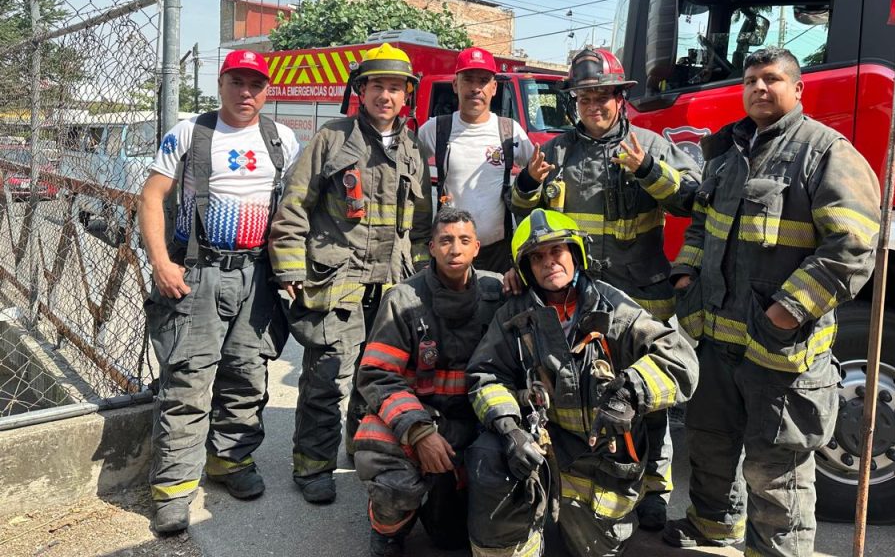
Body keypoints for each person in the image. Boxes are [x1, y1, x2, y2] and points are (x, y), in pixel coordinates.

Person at [665, 47, 881, 556]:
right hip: (715, 340)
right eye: (750, 80)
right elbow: (701, 224)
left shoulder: (826, 152)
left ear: (798, 89)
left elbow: (852, 247)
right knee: (711, 445)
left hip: (781, 353)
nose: (759, 88)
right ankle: (714, 530)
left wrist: (786, 313)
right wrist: (685, 278)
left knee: (775, 471)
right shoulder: (728, 152)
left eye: (772, 78)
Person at [508, 47, 700, 528]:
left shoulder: (649, 145)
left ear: (620, 98)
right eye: (585, 97)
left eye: (603, 96)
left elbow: (691, 200)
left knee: (648, 398)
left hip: (640, 297)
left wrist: (648, 170)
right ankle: (594, 483)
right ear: (575, 102)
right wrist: (527, 185)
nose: (593, 105)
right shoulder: (554, 152)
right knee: (582, 392)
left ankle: (654, 490)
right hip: (578, 300)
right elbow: (523, 214)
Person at [466, 210, 699, 557]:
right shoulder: (515, 316)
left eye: (556, 251)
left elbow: (680, 360)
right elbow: (485, 375)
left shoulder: (613, 307)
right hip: (541, 450)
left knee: (593, 549)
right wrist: (510, 429)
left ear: (575, 254)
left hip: (602, 462)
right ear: (527, 268)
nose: (549, 262)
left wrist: (629, 393)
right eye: (537, 257)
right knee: (489, 455)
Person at [139, 49, 300, 534]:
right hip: (199, 273)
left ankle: (230, 462)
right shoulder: (190, 132)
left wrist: (292, 266)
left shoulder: (282, 138)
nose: (246, 93)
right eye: (237, 82)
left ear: (267, 90)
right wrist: (161, 262)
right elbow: (151, 196)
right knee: (188, 380)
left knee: (247, 375)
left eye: (255, 85)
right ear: (221, 84)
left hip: (258, 276)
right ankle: (173, 489)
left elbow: (293, 208)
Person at [268, 42, 432, 506]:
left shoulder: (413, 148)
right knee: (326, 380)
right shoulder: (332, 138)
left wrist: (422, 281)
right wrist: (290, 266)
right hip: (338, 282)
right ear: (361, 90)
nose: (386, 95)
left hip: (392, 286)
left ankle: (361, 450)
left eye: (395, 87)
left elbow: (421, 225)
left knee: (376, 377)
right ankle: (312, 466)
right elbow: (294, 205)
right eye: (377, 85)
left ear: (407, 95)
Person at [352, 208, 504, 557]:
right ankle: (387, 530)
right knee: (394, 482)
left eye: (464, 240)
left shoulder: (499, 291)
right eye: (446, 240)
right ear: (432, 247)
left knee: (449, 537)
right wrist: (420, 433)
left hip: (474, 424)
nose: (455, 249)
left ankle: (449, 491)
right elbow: (378, 375)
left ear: (477, 247)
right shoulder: (402, 300)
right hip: (420, 418)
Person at [417, 46, 533, 273]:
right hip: (452, 250)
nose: (475, 88)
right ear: (455, 85)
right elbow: (407, 170)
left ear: (494, 88)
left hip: (497, 252)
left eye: (483, 81)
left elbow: (536, 176)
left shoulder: (510, 131)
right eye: (468, 80)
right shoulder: (435, 129)